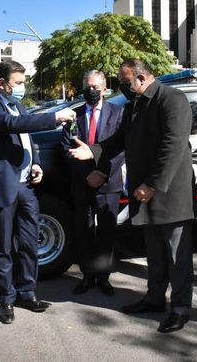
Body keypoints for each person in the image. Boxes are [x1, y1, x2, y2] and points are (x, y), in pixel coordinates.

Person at [70, 59, 194, 333]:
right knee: (154, 253)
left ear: (141, 77)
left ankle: (181, 308)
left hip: (167, 192)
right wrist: (92, 151)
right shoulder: (136, 105)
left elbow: (172, 147)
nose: (122, 87)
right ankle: (154, 299)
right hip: (144, 193)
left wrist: (151, 185)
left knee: (177, 256)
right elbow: (118, 142)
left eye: (124, 82)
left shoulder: (172, 99)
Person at [0, 60, 76, 324]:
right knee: (2, 246)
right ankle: (6, 299)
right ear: (2, 84)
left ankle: (26, 293)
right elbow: (13, 125)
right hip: (1, 185)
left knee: (30, 243)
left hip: (27, 186)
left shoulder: (18, 104)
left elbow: (29, 138)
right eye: (18, 83)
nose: (22, 87)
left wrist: (37, 163)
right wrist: (54, 117)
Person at [60, 70, 124, 296]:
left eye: (96, 87)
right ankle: (87, 276)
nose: (92, 91)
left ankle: (104, 277)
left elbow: (120, 150)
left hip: (108, 182)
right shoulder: (73, 115)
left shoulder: (118, 113)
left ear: (105, 88)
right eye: (88, 86)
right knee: (84, 231)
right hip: (82, 182)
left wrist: (101, 173)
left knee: (106, 232)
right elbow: (67, 148)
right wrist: (86, 172)